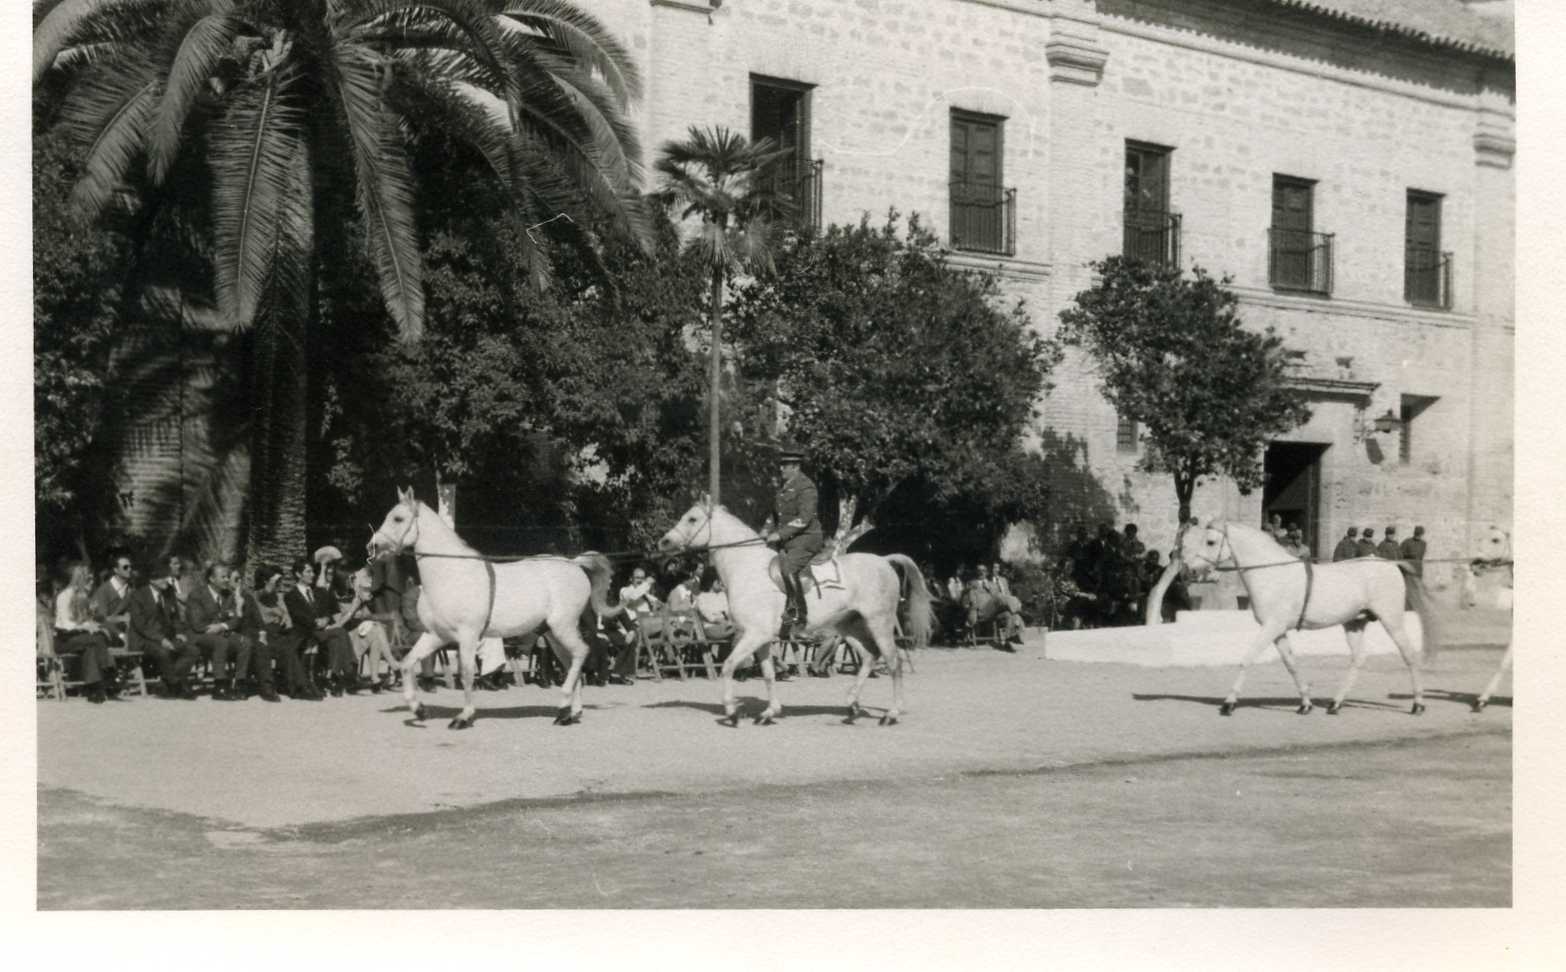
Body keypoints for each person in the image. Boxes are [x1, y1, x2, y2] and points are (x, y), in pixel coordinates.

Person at [765, 443, 823, 630]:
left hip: (806, 538)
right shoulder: (784, 488)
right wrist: (765, 530)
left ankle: (799, 614)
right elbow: (776, 515)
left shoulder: (806, 488)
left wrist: (779, 534)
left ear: (796, 467)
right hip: (789, 540)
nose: (781, 468)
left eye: (785, 465)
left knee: (788, 568)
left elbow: (804, 518)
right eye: (781, 465)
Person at [284, 558, 359, 696]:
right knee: (340, 632)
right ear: (298, 574)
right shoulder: (290, 596)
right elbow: (298, 617)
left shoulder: (319, 592)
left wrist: (325, 619)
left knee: (337, 638)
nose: (312, 574)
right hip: (306, 633)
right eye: (308, 571)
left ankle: (333, 676)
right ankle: (348, 672)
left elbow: (328, 612)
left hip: (322, 632)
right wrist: (316, 623)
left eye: (312, 571)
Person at [125, 560, 200, 699]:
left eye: (167, 576)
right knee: (163, 652)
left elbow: (176, 617)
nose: (167, 580)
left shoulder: (169, 592)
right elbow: (141, 625)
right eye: (163, 577)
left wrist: (179, 633)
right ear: (152, 580)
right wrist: (161, 639)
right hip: (144, 638)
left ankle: (166, 683)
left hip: (167, 636)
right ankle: (177, 685)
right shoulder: (138, 595)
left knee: (192, 650)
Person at [53, 562, 122, 702]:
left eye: (92, 579)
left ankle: (94, 689)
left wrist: (94, 624)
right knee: (97, 639)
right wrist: (86, 626)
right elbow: (66, 624)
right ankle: (109, 672)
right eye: (88, 579)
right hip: (65, 639)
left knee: (91, 647)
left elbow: (95, 618)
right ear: (80, 579)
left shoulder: (85, 596)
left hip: (83, 639)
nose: (91, 582)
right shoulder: (64, 596)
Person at [186, 563, 248, 700]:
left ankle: (240, 684)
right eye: (223, 577)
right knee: (221, 642)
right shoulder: (197, 595)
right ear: (211, 579)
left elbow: (236, 620)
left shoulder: (229, 595)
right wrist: (219, 626)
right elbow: (197, 624)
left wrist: (222, 626)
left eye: (227, 576)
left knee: (245, 642)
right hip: (199, 635)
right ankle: (220, 686)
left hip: (220, 632)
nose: (227, 580)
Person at [229, 567, 280, 702]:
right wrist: (238, 606)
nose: (239, 582)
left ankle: (267, 687)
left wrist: (262, 633)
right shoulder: (225, 598)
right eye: (235, 579)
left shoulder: (247, 597)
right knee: (249, 641)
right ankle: (242, 686)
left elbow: (258, 619)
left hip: (249, 632)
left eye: (240, 578)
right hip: (232, 633)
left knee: (261, 644)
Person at [89, 550, 135, 644]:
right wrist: (122, 619)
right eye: (125, 567)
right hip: (107, 634)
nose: (129, 569)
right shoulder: (103, 590)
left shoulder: (131, 589)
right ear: (116, 570)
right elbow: (102, 619)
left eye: (131, 566)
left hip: (126, 632)